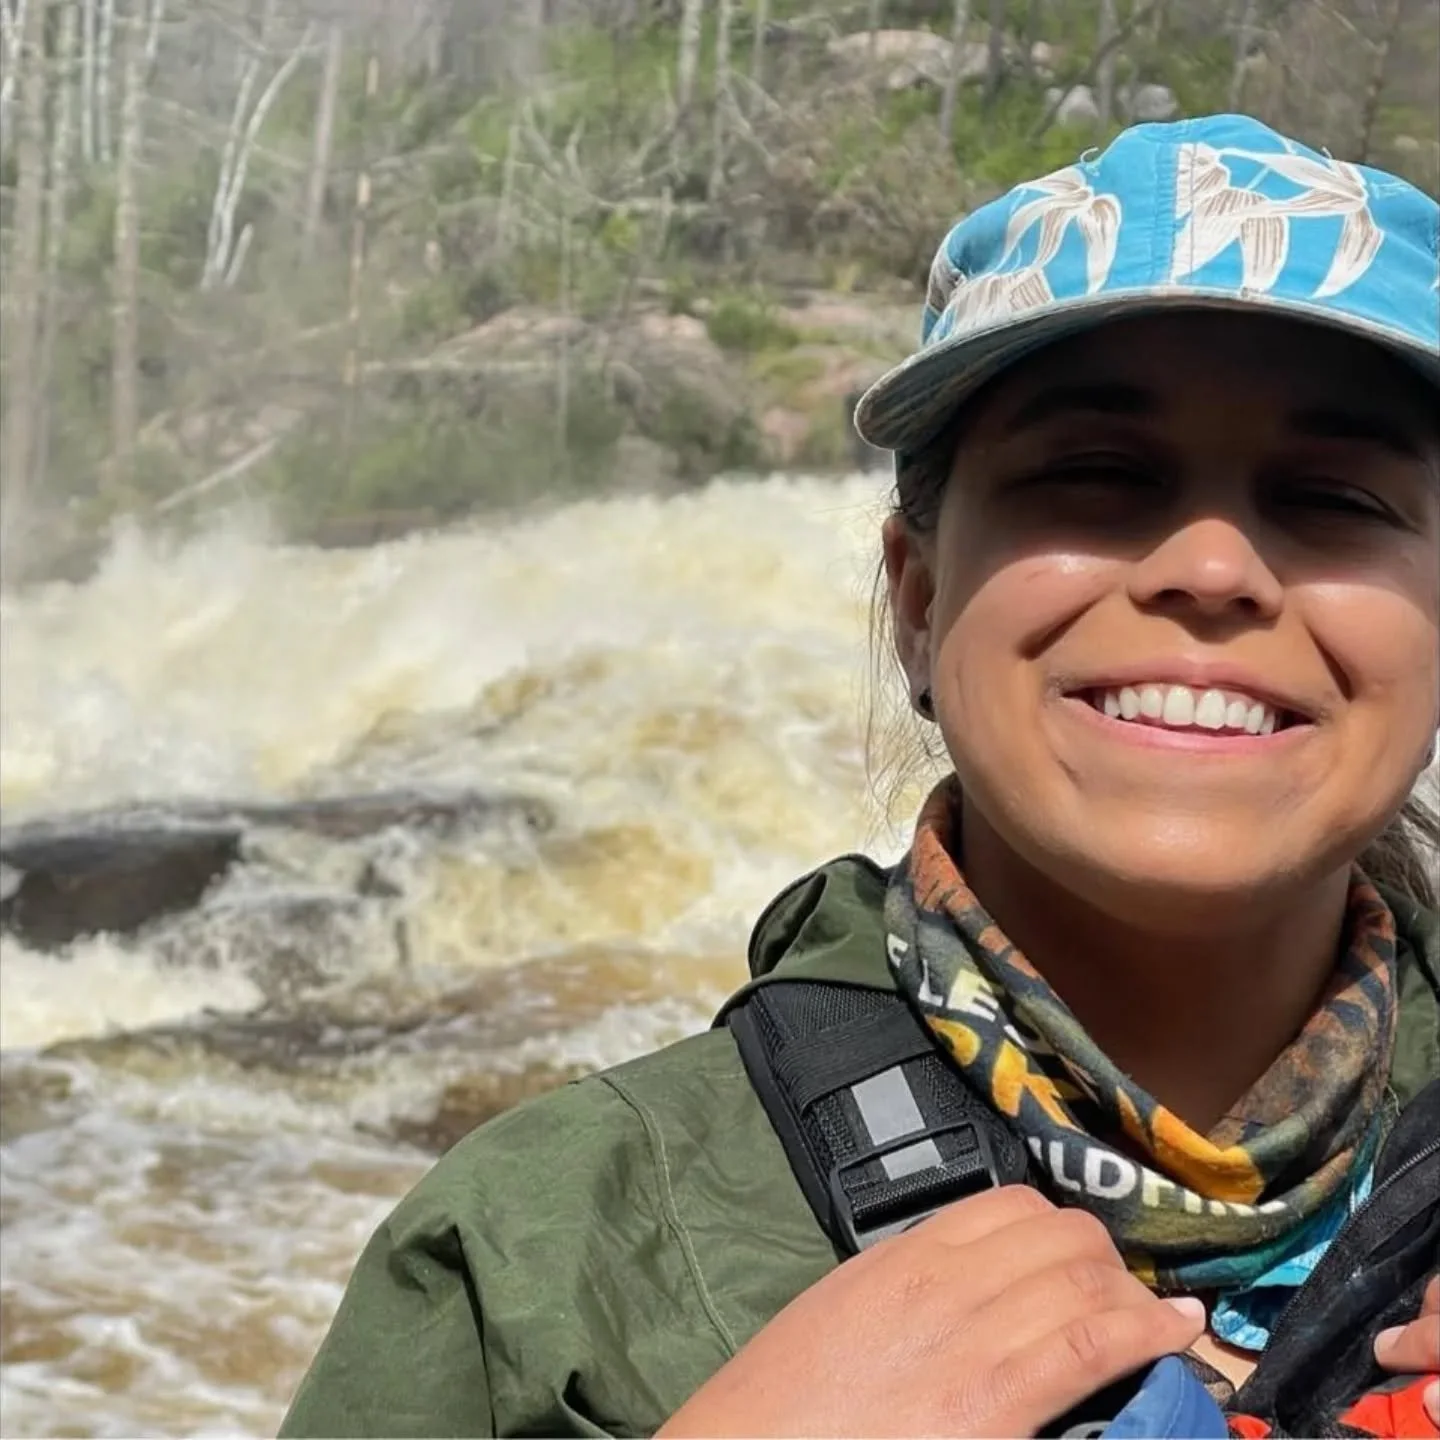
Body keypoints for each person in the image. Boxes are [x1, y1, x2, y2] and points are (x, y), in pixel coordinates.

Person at [279, 113, 1440, 1439]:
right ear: (920, 603)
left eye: (1335, 495)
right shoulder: (529, 1259)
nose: (1213, 569)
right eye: (1097, 474)